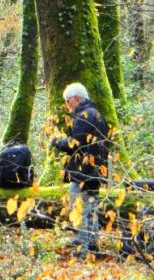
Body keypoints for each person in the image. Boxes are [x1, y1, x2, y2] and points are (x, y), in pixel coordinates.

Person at [51, 83, 110, 258]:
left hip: (85, 171)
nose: (67, 105)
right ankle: (88, 244)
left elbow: (75, 143)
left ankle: (84, 248)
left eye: (67, 101)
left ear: (76, 98)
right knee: (88, 207)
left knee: (79, 206)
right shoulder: (96, 113)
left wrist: (57, 141)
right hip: (94, 170)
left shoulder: (85, 115)